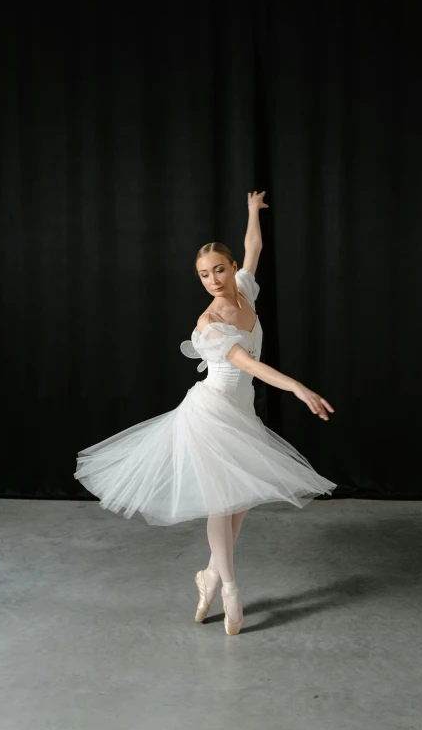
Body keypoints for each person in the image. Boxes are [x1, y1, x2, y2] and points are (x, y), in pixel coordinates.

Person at [74, 191, 336, 636]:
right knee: (222, 501)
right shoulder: (209, 323)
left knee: (241, 502)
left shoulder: (246, 290)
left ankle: (210, 575)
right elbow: (247, 365)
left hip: (240, 414)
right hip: (210, 412)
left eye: (218, 270)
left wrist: (252, 212)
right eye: (203, 275)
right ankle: (232, 591)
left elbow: (253, 247)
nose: (213, 280)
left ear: (231, 269)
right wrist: (295, 385)